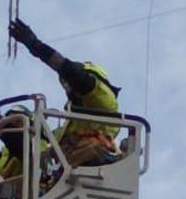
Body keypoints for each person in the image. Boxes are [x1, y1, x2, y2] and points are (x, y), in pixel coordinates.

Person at [8, 18, 122, 167]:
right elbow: (45, 139)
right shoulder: (72, 121)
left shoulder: (104, 98)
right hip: (70, 162)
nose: (67, 87)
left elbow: (72, 73)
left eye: (68, 82)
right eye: (64, 84)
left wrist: (35, 45)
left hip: (93, 157)